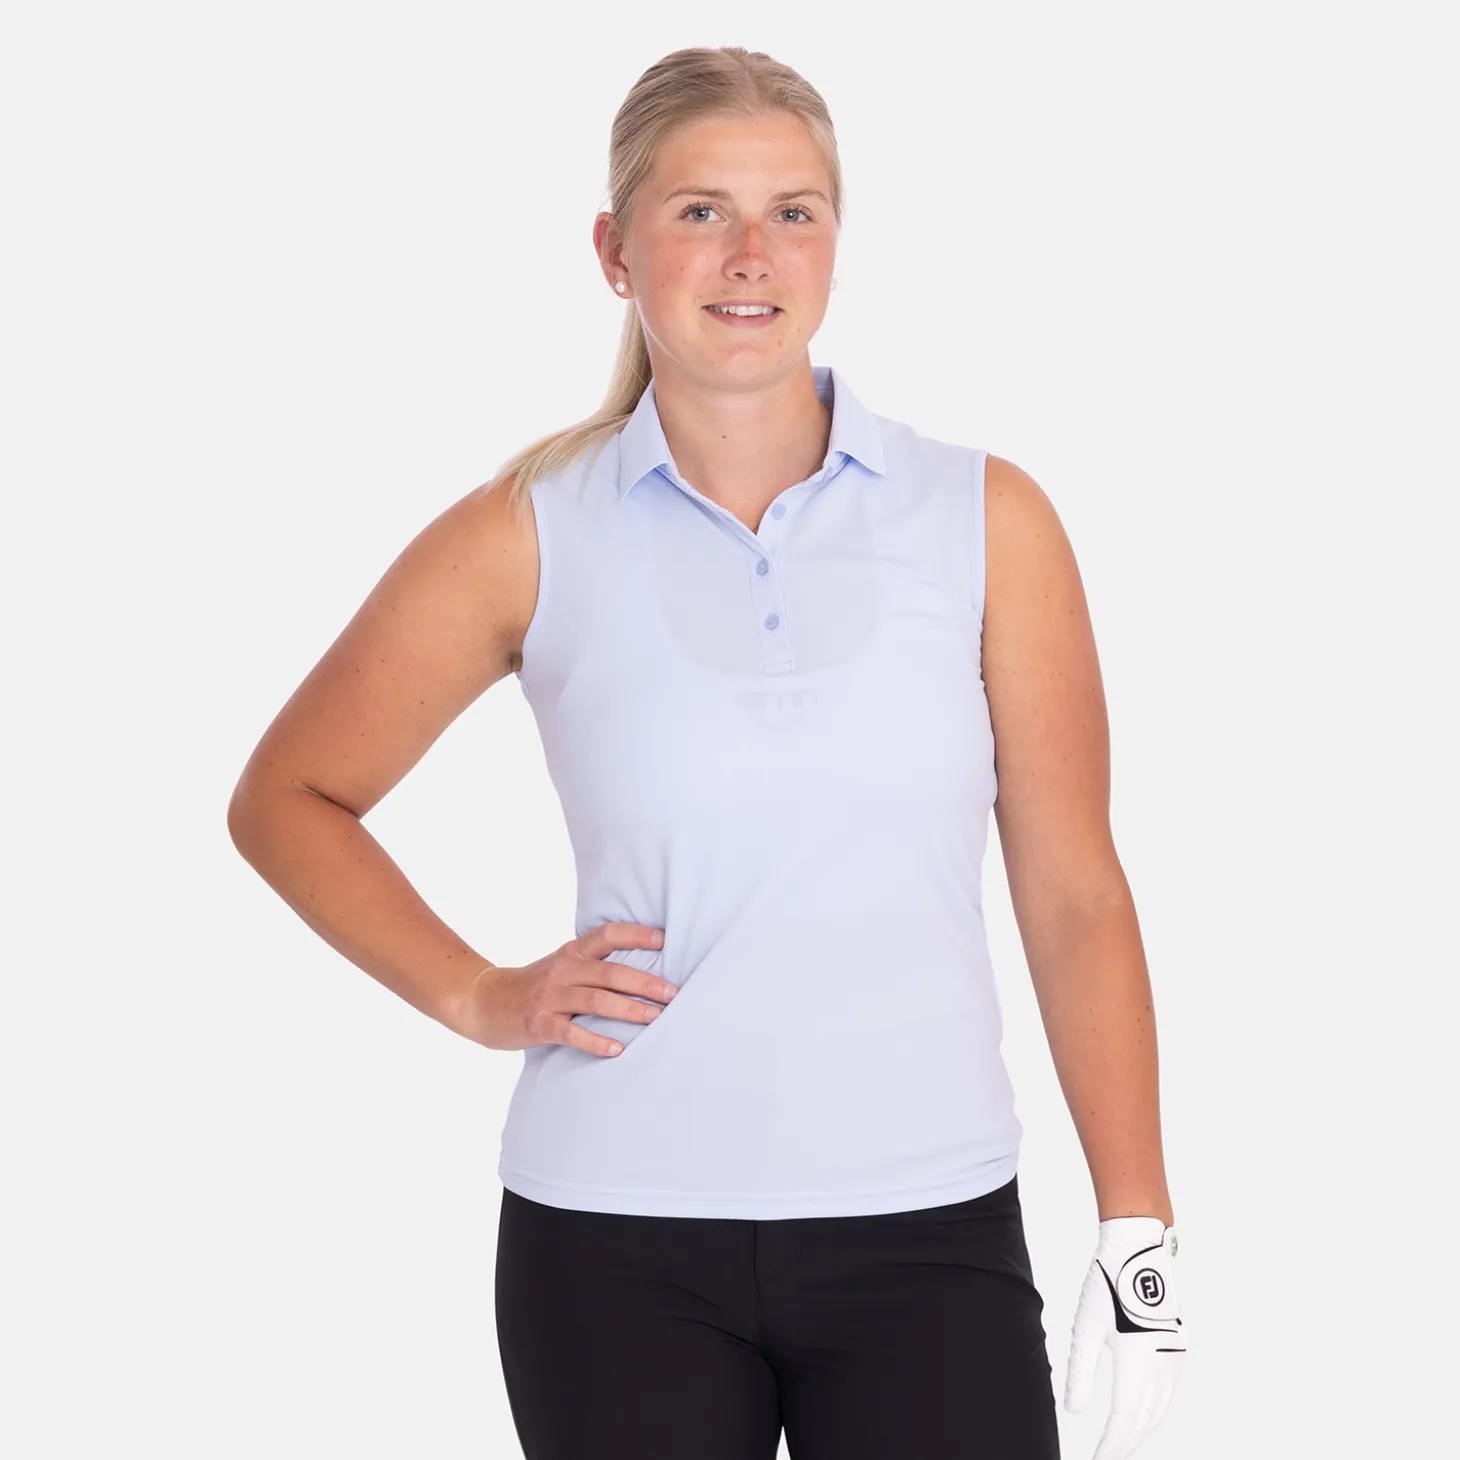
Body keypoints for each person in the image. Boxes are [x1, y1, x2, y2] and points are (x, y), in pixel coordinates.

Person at [228, 43, 1186, 1460]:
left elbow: (1074, 890)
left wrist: (1137, 1227)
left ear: (836, 243)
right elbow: (290, 797)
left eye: (793, 211)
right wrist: (479, 995)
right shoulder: (528, 529)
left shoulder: (986, 519)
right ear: (615, 252)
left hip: (926, 1223)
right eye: (699, 211)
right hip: (613, 1243)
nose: (751, 255)